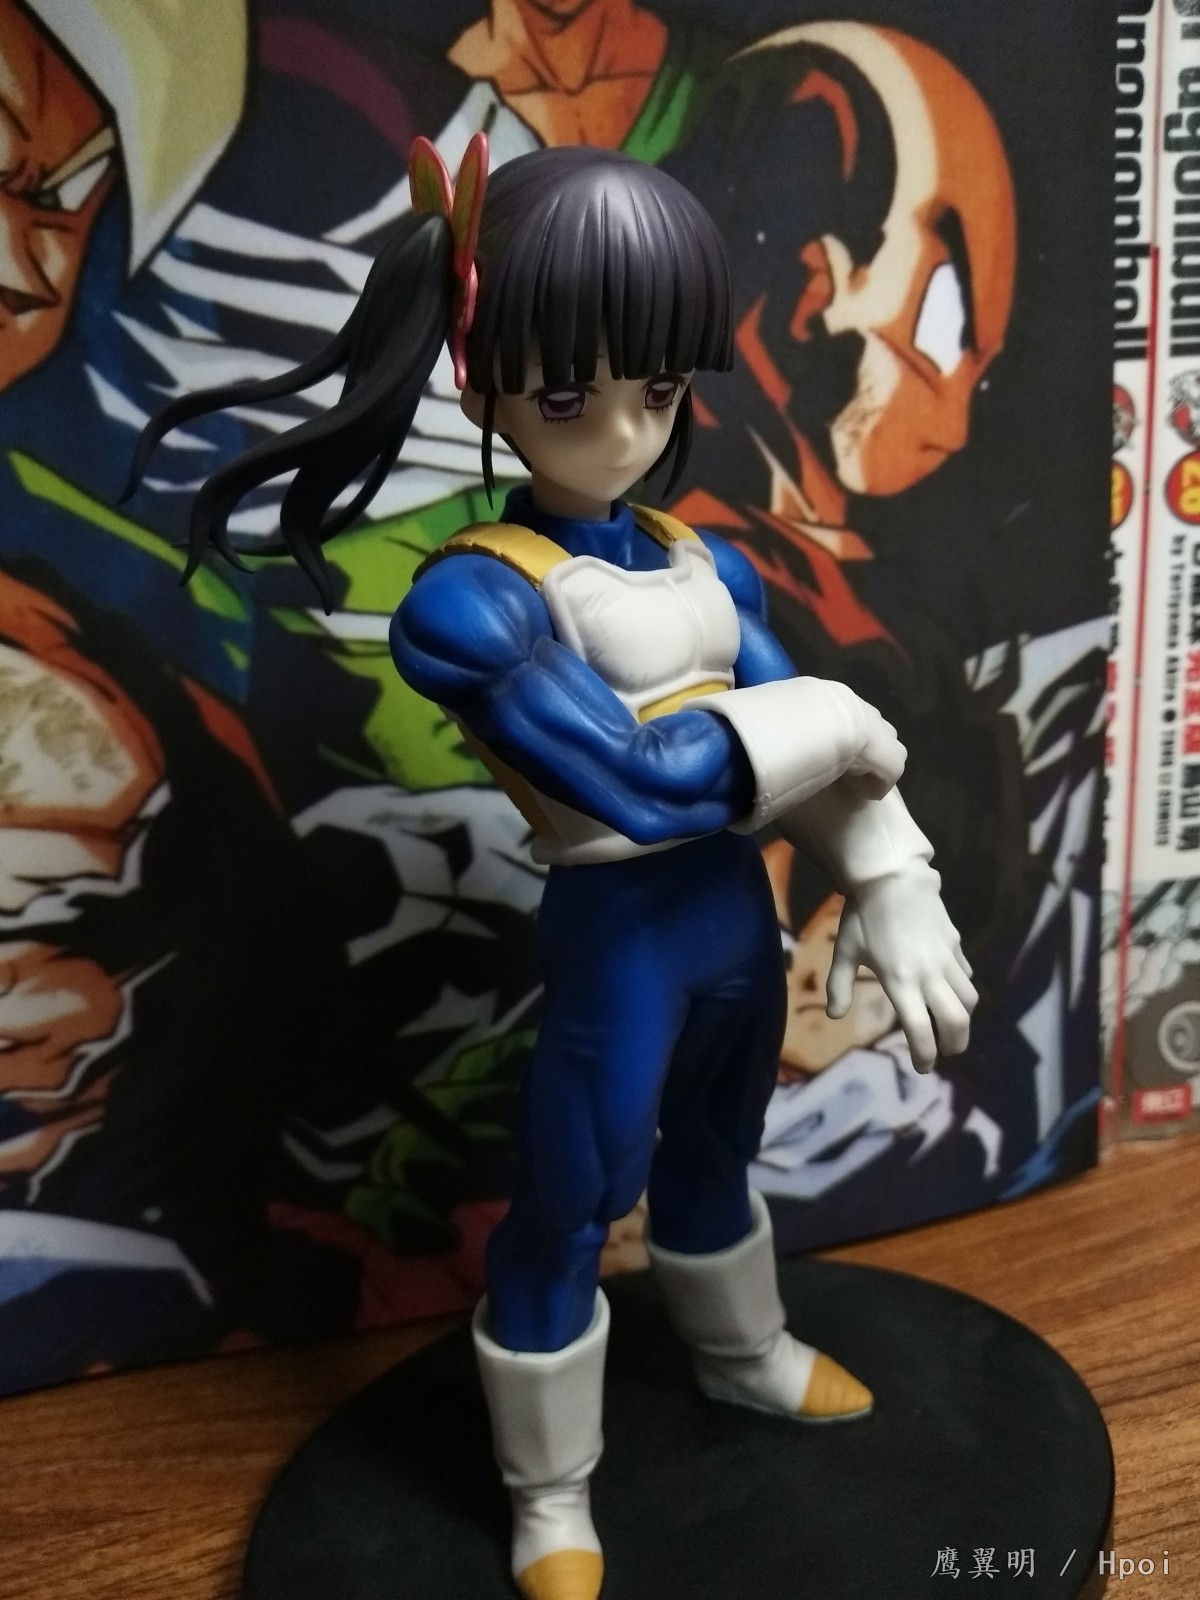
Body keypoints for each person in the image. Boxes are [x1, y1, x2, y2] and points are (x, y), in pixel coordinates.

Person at [129, 140, 976, 1600]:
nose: (626, 432)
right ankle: (549, 1489)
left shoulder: (706, 564)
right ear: (485, 381)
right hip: (622, 938)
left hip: (731, 923)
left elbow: (805, 761)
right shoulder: (473, 600)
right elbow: (643, 781)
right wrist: (839, 723)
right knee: (575, 1204)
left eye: (659, 388)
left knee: (720, 1151)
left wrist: (892, 873)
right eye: (571, 396)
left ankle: (744, 1351)